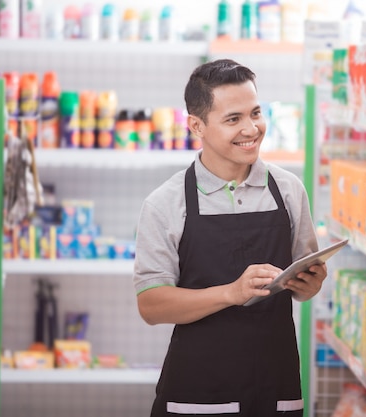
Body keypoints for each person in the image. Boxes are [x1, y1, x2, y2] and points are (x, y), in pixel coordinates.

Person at [133, 58, 328, 417]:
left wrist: (309, 283)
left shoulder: (287, 190)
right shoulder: (165, 203)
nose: (251, 128)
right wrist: (231, 293)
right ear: (197, 126)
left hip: (276, 385)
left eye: (255, 113)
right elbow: (151, 305)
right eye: (233, 119)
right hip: (197, 392)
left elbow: (303, 289)